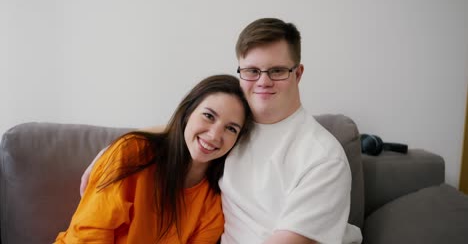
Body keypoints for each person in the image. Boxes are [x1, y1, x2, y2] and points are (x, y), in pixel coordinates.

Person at [81, 18, 363, 244]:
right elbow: (193, 128)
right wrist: (119, 148)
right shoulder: (234, 130)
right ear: (240, 72)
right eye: (252, 70)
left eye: (277, 70)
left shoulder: (321, 157)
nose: (263, 81)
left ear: (298, 73)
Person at [56, 74, 254, 243]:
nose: (214, 135)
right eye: (209, 116)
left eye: (230, 128)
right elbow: (90, 235)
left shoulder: (213, 204)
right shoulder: (133, 153)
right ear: (188, 112)